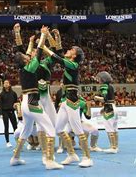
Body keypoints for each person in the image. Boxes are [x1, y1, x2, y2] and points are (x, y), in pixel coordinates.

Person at [9, 24, 62, 169]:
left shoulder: (24, 68)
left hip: (27, 102)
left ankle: (15, 157)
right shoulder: (30, 66)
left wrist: (45, 38)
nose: (28, 53)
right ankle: (50, 160)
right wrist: (43, 36)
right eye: (27, 55)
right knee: (50, 129)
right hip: (33, 103)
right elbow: (38, 52)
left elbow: (35, 53)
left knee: (25, 131)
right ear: (26, 60)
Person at [40, 30, 93, 168]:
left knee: (77, 130)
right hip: (65, 100)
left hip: (73, 100)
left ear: (74, 55)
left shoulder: (74, 65)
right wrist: (55, 36)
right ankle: (71, 154)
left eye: (71, 50)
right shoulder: (70, 62)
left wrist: (43, 47)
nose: (69, 50)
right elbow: (61, 52)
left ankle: (87, 157)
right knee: (58, 129)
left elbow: (58, 58)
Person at [94, 71, 118, 154]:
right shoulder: (110, 86)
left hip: (109, 108)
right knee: (114, 128)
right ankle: (116, 146)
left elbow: (104, 99)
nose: (98, 80)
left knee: (109, 128)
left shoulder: (103, 86)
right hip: (113, 107)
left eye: (99, 78)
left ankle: (113, 147)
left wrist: (96, 97)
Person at [0, 79, 18, 148]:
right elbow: (0, 104)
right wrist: (0, 113)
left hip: (12, 111)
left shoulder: (13, 93)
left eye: (7, 83)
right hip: (4, 112)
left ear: (9, 84)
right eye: (4, 83)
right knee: (6, 127)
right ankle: (7, 142)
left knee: (15, 127)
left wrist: (17, 108)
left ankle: (18, 141)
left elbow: (16, 101)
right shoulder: (2, 94)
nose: (6, 84)